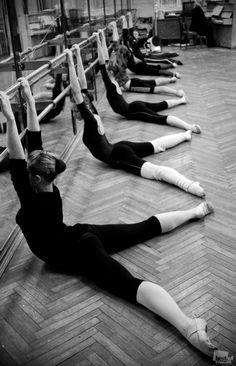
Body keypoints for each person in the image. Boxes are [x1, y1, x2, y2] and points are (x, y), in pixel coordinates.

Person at [0, 78, 217, 359]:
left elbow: (18, 157)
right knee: (141, 229)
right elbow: (32, 145)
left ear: (35, 177)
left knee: (129, 285)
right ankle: (196, 212)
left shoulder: (30, 195)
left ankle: (190, 328)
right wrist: (27, 101)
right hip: (81, 234)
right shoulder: (48, 184)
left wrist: (8, 114)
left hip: (79, 250)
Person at [67, 46, 204, 198]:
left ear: (82, 108)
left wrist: (70, 59)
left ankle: (190, 185)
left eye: (74, 110)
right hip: (120, 146)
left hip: (119, 156)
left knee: (155, 171)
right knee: (156, 144)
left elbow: (77, 90)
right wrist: (77, 54)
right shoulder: (92, 112)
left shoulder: (91, 120)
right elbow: (82, 87)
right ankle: (186, 134)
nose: (73, 113)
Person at [95, 31, 201, 134]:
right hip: (135, 105)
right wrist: (100, 40)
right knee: (159, 105)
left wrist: (99, 40)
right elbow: (104, 60)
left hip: (135, 110)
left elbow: (102, 62)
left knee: (160, 117)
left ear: (110, 72)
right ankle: (181, 100)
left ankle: (189, 126)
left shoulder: (111, 84)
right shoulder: (115, 78)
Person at [103, 28, 185, 97]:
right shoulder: (124, 52)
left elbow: (107, 65)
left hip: (131, 84)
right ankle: (171, 79)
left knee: (155, 85)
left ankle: (176, 91)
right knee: (155, 79)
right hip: (133, 80)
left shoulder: (115, 63)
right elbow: (123, 38)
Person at [109, 21, 180, 79]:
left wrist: (117, 25)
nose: (134, 34)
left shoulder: (131, 44)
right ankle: (173, 66)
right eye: (134, 34)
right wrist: (123, 21)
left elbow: (124, 36)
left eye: (136, 34)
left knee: (156, 69)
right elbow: (126, 33)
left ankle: (173, 71)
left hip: (138, 65)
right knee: (156, 67)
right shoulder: (131, 44)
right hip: (139, 63)